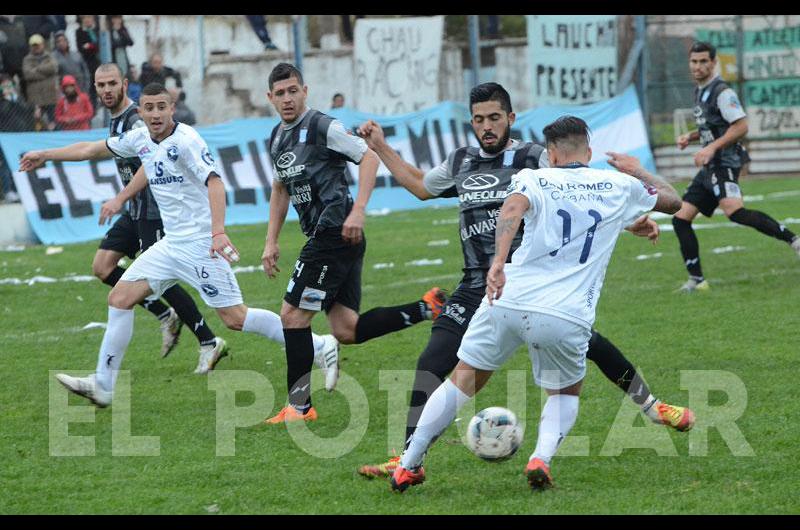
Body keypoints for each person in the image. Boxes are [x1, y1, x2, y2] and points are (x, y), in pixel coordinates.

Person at [355, 83, 694, 480]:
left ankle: (651, 404)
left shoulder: (534, 158)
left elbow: (578, 204)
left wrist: (629, 221)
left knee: (592, 344)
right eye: (479, 119)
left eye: (494, 118)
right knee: (432, 362)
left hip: (524, 278)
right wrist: (380, 146)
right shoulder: (461, 161)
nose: (487, 126)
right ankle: (409, 457)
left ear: (511, 119)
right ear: (471, 123)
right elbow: (419, 186)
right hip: (478, 285)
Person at [22, 82, 339, 407]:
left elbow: (215, 183)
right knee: (120, 298)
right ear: (140, 112)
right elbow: (91, 150)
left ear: (172, 108)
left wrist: (217, 232)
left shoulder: (186, 141)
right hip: (170, 245)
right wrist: (45, 154)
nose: (156, 114)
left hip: (201, 245)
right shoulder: (139, 138)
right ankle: (103, 386)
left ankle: (319, 346)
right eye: (150, 108)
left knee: (235, 318)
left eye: (162, 107)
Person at [261, 63, 446, 424]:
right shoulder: (276, 138)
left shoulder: (321, 126)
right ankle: (428, 307)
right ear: (270, 97)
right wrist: (271, 240)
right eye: (280, 93)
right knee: (346, 329)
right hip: (333, 237)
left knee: (292, 316)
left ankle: (299, 407)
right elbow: (280, 188)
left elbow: (368, 157)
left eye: (293, 90)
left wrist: (358, 210)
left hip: (336, 231)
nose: (287, 98)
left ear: (305, 90)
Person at [673, 41, 800, 292]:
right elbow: (713, 126)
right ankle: (696, 280)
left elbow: (740, 126)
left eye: (703, 62)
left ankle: (794, 240)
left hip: (724, 163)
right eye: (693, 61)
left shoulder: (723, 92)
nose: (697, 66)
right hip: (710, 166)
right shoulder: (699, 91)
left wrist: (710, 148)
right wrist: (692, 136)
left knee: (734, 211)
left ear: (713, 62)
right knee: (681, 218)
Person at [22, 34, 59, 128]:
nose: (36, 47)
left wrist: (36, 69)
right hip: (36, 100)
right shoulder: (27, 59)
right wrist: (46, 73)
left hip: (51, 97)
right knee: (37, 125)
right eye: (34, 45)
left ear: (43, 44)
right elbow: (28, 75)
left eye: (38, 44)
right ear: (30, 46)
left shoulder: (49, 57)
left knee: (54, 124)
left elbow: (54, 68)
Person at [53, 30, 91, 95]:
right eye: (58, 41)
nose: (61, 43)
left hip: (80, 89)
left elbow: (85, 72)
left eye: (63, 40)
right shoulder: (53, 57)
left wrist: (86, 88)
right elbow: (55, 77)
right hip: (65, 92)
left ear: (67, 41)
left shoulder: (76, 55)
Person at [75, 15, 100, 108]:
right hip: (88, 64)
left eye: (89, 18)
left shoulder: (97, 30)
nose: (87, 20)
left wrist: (90, 46)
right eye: (85, 18)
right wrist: (92, 46)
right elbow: (81, 48)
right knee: (90, 88)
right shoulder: (80, 32)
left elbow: (99, 45)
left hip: (98, 63)